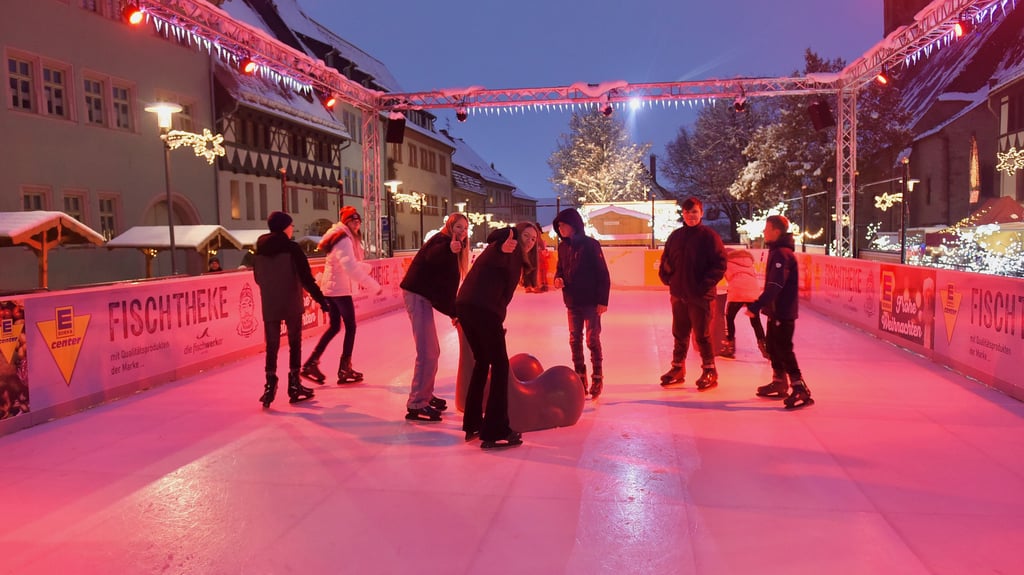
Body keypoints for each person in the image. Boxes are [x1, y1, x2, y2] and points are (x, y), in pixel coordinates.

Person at [457, 222, 538, 449]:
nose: (529, 241)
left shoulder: (514, 256)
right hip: (483, 309)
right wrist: (505, 240)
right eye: (526, 235)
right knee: (500, 366)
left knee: (483, 361)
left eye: (533, 239)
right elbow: (498, 240)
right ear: (516, 234)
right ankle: (495, 430)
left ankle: (473, 422)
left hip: (468, 305)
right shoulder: (506, 246)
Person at [254, 211, 329, 408]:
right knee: (295, 343)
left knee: (272, 346)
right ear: (284, 227)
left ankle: (270, 385)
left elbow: (257, 278)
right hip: (291, 302)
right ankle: (294, 384)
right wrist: (322, 300)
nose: (292, 228)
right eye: (291, 225)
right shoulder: (292, 248)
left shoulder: (260, 250)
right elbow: (307, 279)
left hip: (269, 303)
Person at [399, 212, 470, 422]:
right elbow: (433, 256)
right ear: (449, 226)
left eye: (465, 228)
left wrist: (453, 312)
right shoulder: (441, 242)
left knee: (433, 351)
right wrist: (449, 248)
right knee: (427, 352)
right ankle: (417, 403)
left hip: (423, 296)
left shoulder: (452, 247)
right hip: (417, 295)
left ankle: (425, 394)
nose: (462, 232)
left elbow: (445, 287)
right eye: (458, 227)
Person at [300, 206, 381, 386]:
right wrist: (372, 285)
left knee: (335, 327)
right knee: (350, 327)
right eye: (353, 221)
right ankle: (344, 368)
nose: (357, 224)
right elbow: (349, 266)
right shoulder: (343, 239)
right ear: (346, 222)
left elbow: (345, 264)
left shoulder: (342, 236)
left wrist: (363, 268)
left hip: (332, 289)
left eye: (358, 221)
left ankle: (311, 363)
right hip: (339, 290)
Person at [658, 197, 727, 389]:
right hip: (679, 294)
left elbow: (720, 264)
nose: (690, 216)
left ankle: (709, 370)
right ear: (683, 214)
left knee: (702, 335)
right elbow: (666, 259)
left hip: (700, 296)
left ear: (701, 213)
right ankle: (678, 368)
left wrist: (704, 286)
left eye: (694, 212)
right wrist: (666, 276)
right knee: (679, 333)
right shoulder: (675, 236)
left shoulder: (710, 237)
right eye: (687, 212)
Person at [746, 215, 814, 409]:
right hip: (775, 311)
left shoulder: (782, 254)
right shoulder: (777, 251)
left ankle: (799, 387)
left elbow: (776, 285)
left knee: (784, 349)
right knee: (773, 347)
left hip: (783, 312)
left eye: (766, 228)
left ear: (776, 231)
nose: (763, 232)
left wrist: (757, 305)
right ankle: (779, 381)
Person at [552, 208, 610, 398]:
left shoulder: (591, 245)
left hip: (591, 302)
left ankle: (597, 376)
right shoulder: (562, 247)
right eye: (558, 226)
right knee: (574, 339)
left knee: (592, 340)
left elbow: (603, 273)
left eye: (563, 225)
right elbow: (560, 269)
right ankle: (580, 375)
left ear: (574, 225)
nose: (560, 229)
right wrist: (558, 278)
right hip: (572, 301)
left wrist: (602, 300)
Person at [719, 247, 768, 359]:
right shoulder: (749, 262)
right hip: (753, 290)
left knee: (730, 318)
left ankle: (730, 348)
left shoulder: (727, 262)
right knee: (755, 321)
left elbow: (721, 275)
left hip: (737, 290)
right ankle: (765, 348)